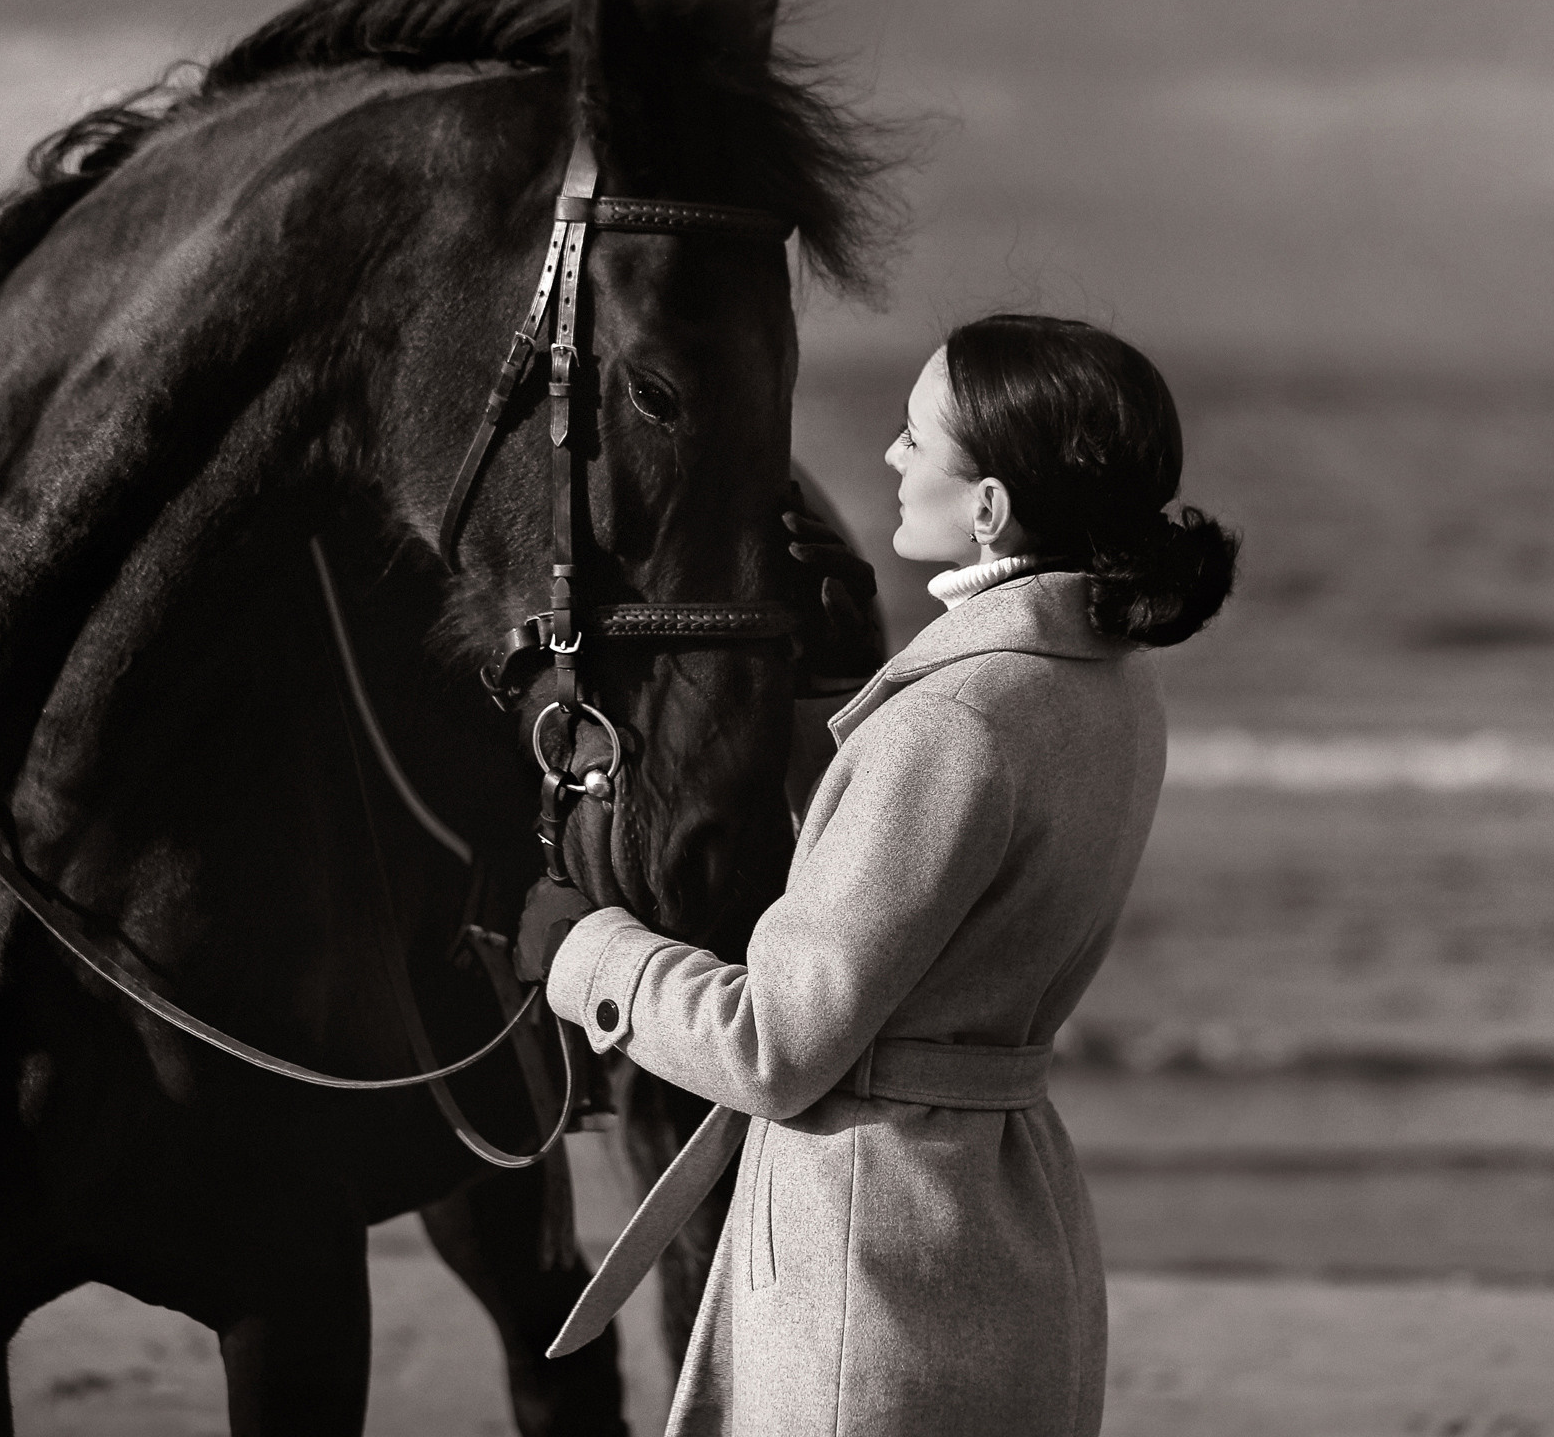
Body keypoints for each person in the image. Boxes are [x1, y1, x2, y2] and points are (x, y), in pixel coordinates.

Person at [518, 313, 1238, 1437]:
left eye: (916, 434)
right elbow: (927, 893)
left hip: (873, 1268)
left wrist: (582, 952)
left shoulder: (953, 722)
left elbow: (772, 1046)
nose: (892, 456)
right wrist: (840, 690)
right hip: (1006, 1237)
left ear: (988, 506)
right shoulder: (1111, 684)